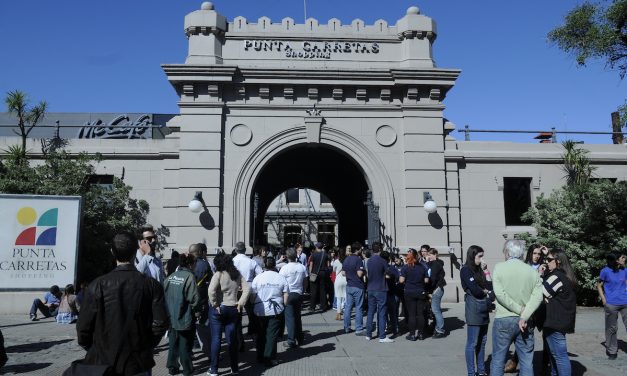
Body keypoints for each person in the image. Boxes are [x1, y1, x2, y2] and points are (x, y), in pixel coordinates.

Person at [77, 232, 169, 375]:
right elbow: (161, 323)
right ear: (135, 252)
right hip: (137, 361)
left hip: (106, 363)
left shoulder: (97, 285)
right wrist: (146, 345)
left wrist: (98, 349)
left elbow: (83, 329)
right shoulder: (151, 285)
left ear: (112, 252)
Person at [490, 239, 543, 376]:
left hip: (504, 319)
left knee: (498, 360)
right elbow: (538, 297)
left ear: (507, 252)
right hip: (525, 320)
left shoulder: (499, 268)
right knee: (526, 361)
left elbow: (500, 294)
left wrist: (519, 310)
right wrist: (524, 313)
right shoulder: (532, 271)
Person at [207, 252, 251, 376]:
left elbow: (211, 291)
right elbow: (247, 289)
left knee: (216, 339)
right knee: (231, 339)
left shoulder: (218, 274)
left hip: (219, 309)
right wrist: (240, 303)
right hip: (233, 308)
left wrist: (215, 304)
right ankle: (234, 368)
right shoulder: (237, 274)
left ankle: (214, 369)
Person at [541, 248, 577, 375]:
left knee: (559, 356)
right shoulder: (565, 275)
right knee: (555, 355)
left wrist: (540, 275)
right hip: (561, 321)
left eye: (549, 260)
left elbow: (540, 292)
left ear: (558, 262)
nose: (546, 262)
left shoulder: (556, 276)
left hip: (555, 321)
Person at [164, 252, 200, 376]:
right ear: (190, 264)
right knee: (185, 344)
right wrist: (197, 311)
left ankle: (172, 367)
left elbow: (164, 294)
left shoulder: (171, 276)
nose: (196, 266)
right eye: (195, 263)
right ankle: (187, 369)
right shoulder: (190, 278)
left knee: (173, 342)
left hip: (171, 316)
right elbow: (194, 300)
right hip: (185, 316)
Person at [251, 257, 289, 367]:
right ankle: (269, 357)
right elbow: (286, 295)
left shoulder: (258, 278)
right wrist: (284, 305)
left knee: (261, 333)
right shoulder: (281, 278)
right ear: (274, 266)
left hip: (260, 309)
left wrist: (253, 304)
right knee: (272, 334)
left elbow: (253, 296)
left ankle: (260, 356)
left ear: (264, 265)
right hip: (275, 309)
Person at [461, 245, 492, 376]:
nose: (481, 259)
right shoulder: (466, 270)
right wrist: (485, 291)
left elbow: (490, 288)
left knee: (483, 341)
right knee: (472, 342)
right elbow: (475, 290)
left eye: (482, 256)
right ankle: (471, 373)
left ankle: (481, 370)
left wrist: (486, 271)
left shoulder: (480, 269)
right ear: (472, 255)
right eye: (479, 256)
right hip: (474, 308)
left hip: (484, 308)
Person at [597, 252, 627, 360]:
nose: (624, 258)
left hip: (625, 302)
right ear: (616, 260)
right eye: (622, 257)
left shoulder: (624, 270)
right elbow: (599, 285)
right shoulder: (605, 271)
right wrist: (604, 299)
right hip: (611, 304)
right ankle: (612, 350)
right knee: (612, 328)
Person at [232, 241, 263, 345]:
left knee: (237, 317)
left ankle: (240, 342)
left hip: (236, 289)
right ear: (245, 250)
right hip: (249, 288)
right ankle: (255, 337)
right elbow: (260, 274)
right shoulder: (251, 261)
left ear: (236, 250)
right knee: (252, 315)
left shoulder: (232, 261)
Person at [365, 242, 394, 343]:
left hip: (371, 288)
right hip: (381, 288)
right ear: (380, 249)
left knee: (370, 312)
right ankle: (382, 336)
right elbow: (388, 273)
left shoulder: (369, 261)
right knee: (382, 312)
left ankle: (368, 334)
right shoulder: (382, 261)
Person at [279, 247, 308, 348]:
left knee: (290, 318)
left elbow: (281, 283)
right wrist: (303, 291)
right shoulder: (302, 267)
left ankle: (291, 340)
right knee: (297, 317)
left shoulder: (284, 268)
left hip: (289, 294)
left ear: (287, 257)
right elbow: (305, 281)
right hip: (299, 293)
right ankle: (299, 337)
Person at [189, 243, 213, 362]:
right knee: (204, 326)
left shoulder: (185, 264)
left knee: (189, 327)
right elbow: (211, 280)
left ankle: (189, 353)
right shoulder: (204, 264)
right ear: (199, 252)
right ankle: (209, 352)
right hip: (201, 299)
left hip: (188, 300)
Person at [400, 249, 429, 341]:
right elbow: (426, 280)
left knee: (411, 314)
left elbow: (401, 280)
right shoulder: (422, 267)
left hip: (409, 292)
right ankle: (420, 334)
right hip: (420, 291)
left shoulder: (405, 267)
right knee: (420, 314)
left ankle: (412, 334)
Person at [343, 242, 366, 335]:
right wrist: (364, 272)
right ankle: (359, 329)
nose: (361, 250)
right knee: (358, 307)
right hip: (357, 285)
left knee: (348, 307)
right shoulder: (358, 260)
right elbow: (359, 274)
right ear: (357, 250)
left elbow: (343, 273)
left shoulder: (347, 259)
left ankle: (347, 327)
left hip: (349, 285)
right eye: (360, 249)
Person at [428, 248, 447, 338]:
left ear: (436, 254)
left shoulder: (435, 264)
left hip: (436, 289)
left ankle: (440, 330)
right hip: (437, 289)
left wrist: (430, 290)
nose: (429, 256)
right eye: (429, 254)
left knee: (436, 310)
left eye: (431, 254)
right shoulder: (435, 263)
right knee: (436, 310)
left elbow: (433, 278)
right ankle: (438, 328)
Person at [309, 242, 330, 312]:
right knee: (323, 290)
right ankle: (323, 306)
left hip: (314, 273)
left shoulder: (313, 255)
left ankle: (312, 307)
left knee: (313, 291)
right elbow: (328, 265)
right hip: (323, 273)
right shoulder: (325, 255)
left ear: (316, 247)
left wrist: (310, 273)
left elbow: (311, 265)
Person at [332, 247, 347, 321]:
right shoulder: (346, 260)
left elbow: (334, 270)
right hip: (345, 280)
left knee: (338, 297)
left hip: (338, 279)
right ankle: (342, 309)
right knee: (345, 297)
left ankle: (338, 314)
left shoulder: (336, 261)